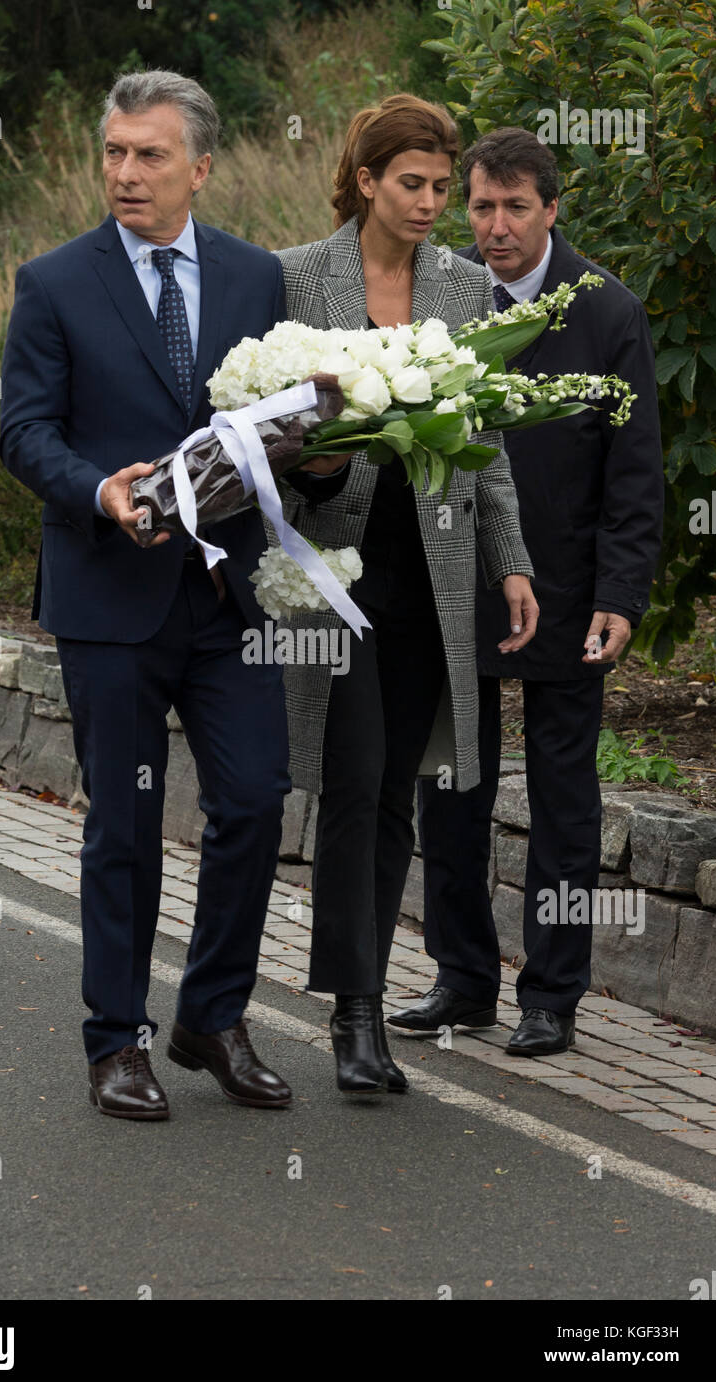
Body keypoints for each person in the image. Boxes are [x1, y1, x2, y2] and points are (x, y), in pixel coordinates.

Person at [0, 69, 346, 1120]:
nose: (124, 172)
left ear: (199, 166)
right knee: (127, 824)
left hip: (229, 597)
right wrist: (94, 489)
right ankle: (117, 1039)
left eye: (148, 154)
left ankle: (211, 1016)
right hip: (108, 597)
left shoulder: (254, 279)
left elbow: (271, 427)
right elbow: (24, 431)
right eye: (112, 151)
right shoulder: (53, 281)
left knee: (251, 799)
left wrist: (321, 461)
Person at [275, 95, 538, 1095]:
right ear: (366, 179)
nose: (432, 202)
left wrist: (509, 560)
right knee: (353, 778)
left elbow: (489, 445)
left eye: (442, 185)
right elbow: (268, 424)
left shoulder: (467, 290)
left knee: (395, 793)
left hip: (433, 572)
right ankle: (350, 1015)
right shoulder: (300, 274)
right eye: (413, 184)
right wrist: (311, 472)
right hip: (336, 566)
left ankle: (369, 995)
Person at [389, 127, 663, 1056]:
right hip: (454, 582)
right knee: (452, 786)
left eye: (514, 208)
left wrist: (620, 597)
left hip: (572, 591)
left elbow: (635, 477)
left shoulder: (608, 314)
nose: (495, 227)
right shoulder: (445, 301)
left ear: (552, 209)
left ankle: (552, 996)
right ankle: (462, 979)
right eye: (480, 208)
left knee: (563, 798)